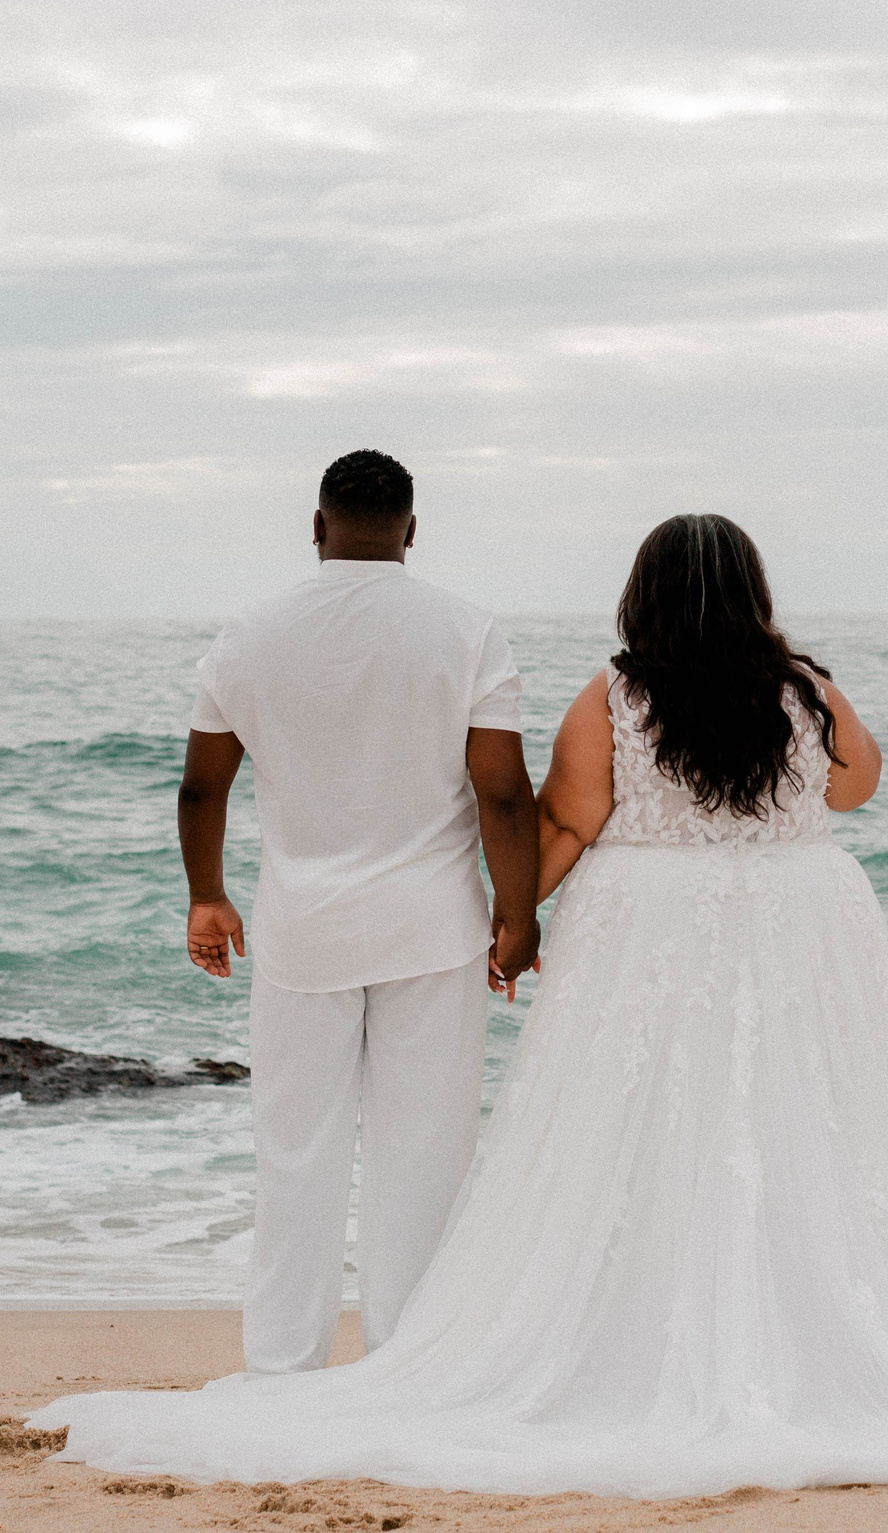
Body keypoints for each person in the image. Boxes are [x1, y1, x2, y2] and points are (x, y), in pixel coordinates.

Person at [35, 514, 888, 1496]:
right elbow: (859, 786)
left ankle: (581, 1337)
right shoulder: (802, 684)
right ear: (753, 590)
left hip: (655, 936)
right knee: (802, 1137)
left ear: (644, 597)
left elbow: (568, 817)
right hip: (801, 926)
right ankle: (804, 1333)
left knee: (638, 1145)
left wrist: (519, 917)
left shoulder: (614, 692)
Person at [173, 449, 541, 1376]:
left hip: (304, 929)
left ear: (316, 526)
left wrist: (208, 896)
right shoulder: (468, 631)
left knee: (295, 1156)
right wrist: (519, 912)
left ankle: (282, 1367)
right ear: (412, 530)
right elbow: (503, 794)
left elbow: (201, 786)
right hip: (433, 929)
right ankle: (403, 1366)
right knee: (423, 1161)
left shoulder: (247, 636)